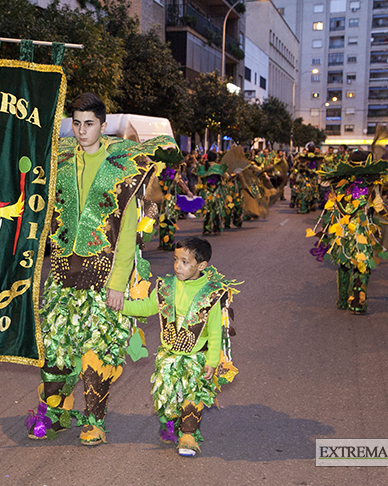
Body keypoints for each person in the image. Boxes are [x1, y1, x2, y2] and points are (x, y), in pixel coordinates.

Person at [26, 93, 179, 445]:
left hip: (102, 274)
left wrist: (118, 282)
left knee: (98, 353)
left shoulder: (126, 167)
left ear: (103, 125)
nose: (81, 131)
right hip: (63, 274)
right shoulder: (59, 162)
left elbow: (128, 231)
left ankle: (94, 420)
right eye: (76, 123)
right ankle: (57, 412)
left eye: (89, 123)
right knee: (56, 349)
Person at [121, 237, 239, 457]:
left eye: (185, 262)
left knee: (192, 396)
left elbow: (215, 332)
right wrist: (121, 305)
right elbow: (147, 307)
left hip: (197, 356)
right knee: (167, 396)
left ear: (201, 266)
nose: (177, 266)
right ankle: (171, 424)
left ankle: (189, 435)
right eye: (175, 260)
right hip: (169, 354)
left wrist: (213, 361)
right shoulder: (166, 286)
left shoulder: (211, 294)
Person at [306, 150, 388, 314]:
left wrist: (324, 232)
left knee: (344, 265)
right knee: (362, 267)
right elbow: (380, 207)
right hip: (361, 235)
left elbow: (330, 210)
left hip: (342, 234)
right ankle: (357, 303)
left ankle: (342, 300)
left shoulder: (338, 185)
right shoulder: (371, 186)